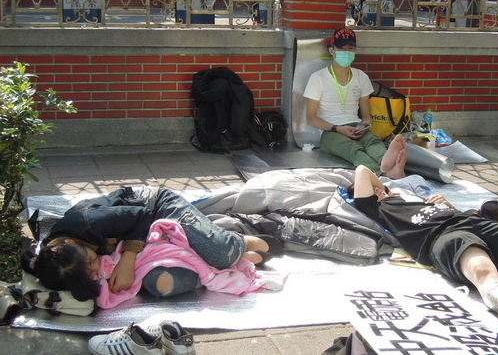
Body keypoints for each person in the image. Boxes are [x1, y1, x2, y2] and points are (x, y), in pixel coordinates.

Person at [350, 164, 498, 349]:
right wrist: (383, 191)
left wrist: (444, 204)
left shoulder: (410, 197)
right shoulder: (377, 208)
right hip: (441, 236)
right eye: (372, 189)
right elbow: (362, 170)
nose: (377, 189)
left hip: (473, 221)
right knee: (481, 268)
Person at [23, 186, 277, 306]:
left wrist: (127, 261)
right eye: (88, 272)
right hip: (145, 243)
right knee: (162, 284)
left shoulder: (89, 222)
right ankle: (210, 257)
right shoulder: (54, 264)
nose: (94, 266)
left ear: (71, 242)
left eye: (90, 260)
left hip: (156, 208)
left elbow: (143, 216)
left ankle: (240, 242)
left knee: (220, 254)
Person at [303, 28, 407, 179]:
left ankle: (387, 163)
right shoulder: (318, 78)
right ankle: (384, 173)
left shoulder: (361, 77)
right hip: (330, 132)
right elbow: (311, 118)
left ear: (355, 50)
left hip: (355, 126)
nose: (346, 52)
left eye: (350, 48)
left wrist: (365, 125)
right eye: (341, 48)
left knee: (372, 140)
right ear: (332, 50)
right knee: (353, 149)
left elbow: (366, 115)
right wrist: (338, 129)